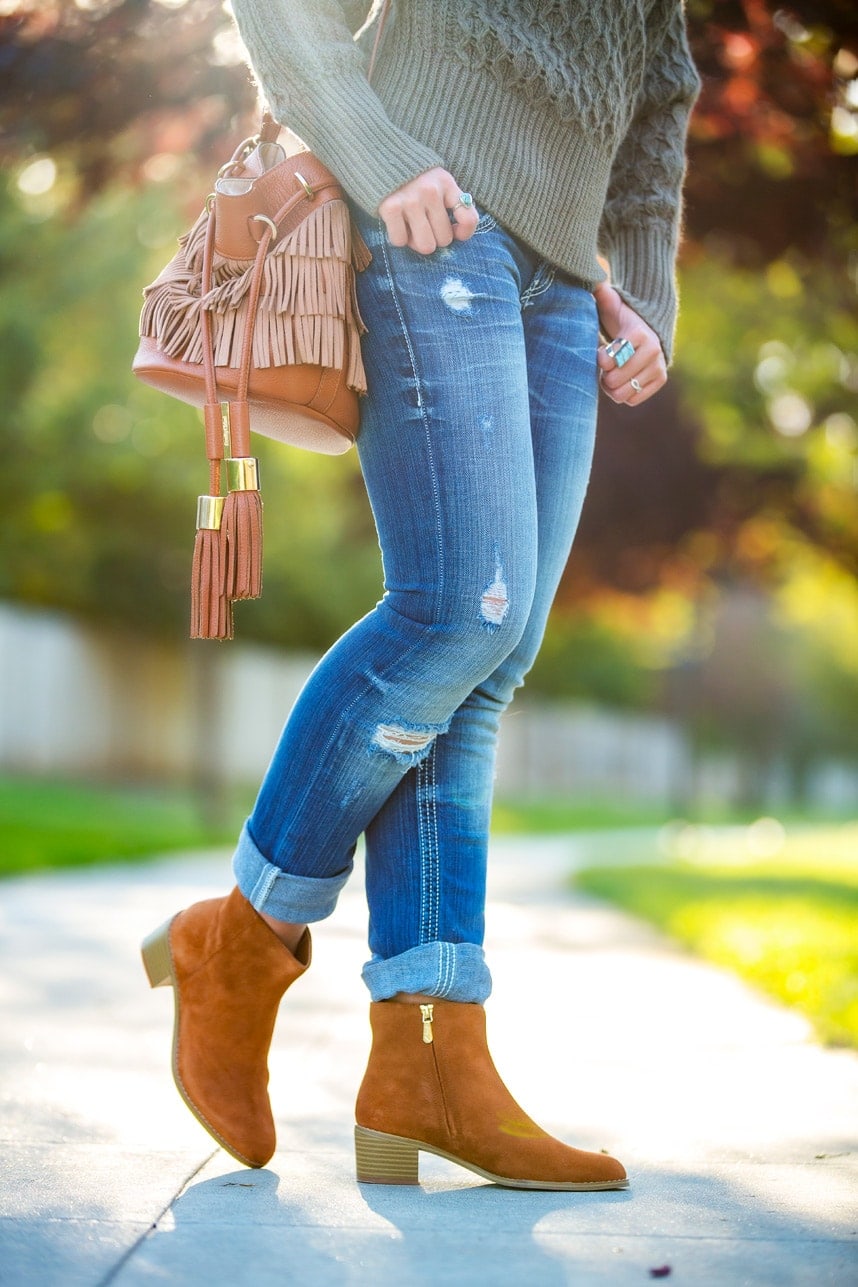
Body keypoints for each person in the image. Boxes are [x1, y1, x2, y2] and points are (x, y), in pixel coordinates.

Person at [142, 0, 700, 1189]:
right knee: (463, 609)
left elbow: (660, 105)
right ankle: (240, 940)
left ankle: (430, 1062)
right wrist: (382, 158)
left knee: (487, 668)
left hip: (564, 281)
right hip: (434, 224)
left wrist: (647, 291)